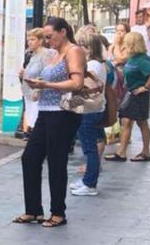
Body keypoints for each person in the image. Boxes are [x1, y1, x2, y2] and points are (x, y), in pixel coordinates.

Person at [14, 17, 85, 228]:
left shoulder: (74, 51)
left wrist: (47, 84)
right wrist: (35, 83)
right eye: (45, 37)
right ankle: (33, 210)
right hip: (45, 112)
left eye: (49, 36)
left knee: (56, 161)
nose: (47, 40)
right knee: (30, 158)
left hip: (62, 114)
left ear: (63, 32)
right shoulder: (54, 54)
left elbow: (77, 82)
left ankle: (58, 213)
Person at [105, 32, 150, 163]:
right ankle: (122, 152)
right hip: (130, 94)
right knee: (126, 122)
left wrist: (145, 87)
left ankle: (145, 152)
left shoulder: (142, 60)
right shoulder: (132, 58)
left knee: (141, 123)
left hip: (139, 95)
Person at [71, 31, 109, 196]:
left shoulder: (92, 65)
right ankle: (88, 180)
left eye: (81, 45)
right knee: (92, 146)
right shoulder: (99, 64)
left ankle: (90, 183)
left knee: (89, 149)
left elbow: (83, 87)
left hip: (88, 109)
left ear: (88, 48)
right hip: (96, 108)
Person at [19, 28, 56, 136]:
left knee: (38, 123)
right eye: (28, 40)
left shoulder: (46, 54)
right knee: (33, 121)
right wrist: (23, 74)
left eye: (33, 39)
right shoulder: (30, 54)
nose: (29, 42)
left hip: (39, 94)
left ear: (40, 41)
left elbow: (47, 73)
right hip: (29, 92)